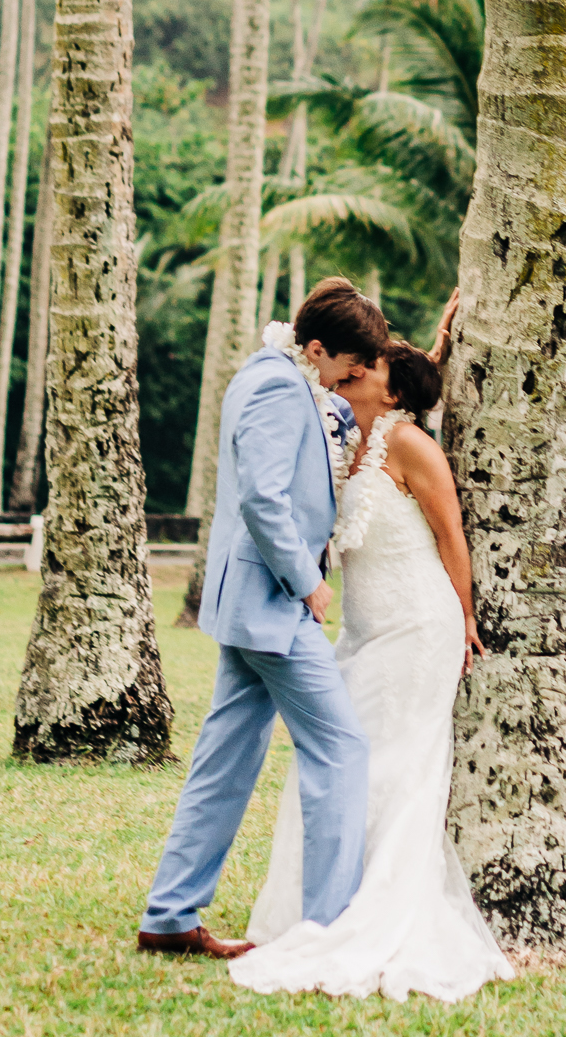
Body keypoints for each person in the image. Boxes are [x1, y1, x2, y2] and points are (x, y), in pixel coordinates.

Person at [230, 329, 513, 1003]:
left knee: (396, 768)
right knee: (336, 759)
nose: (357, 366)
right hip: (361, 633)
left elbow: (450, 535)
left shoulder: (411, 443)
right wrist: (438, 343)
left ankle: (380, 909)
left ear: (391, 387)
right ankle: (321, 905)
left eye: (374, 362)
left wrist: (467, 619)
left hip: (419, 628)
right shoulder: (344, 437)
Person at [137, 276, 391, 960]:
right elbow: (262, 497)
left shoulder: (282, 373)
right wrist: (305, 580)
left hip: (252, 606)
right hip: (273, 602)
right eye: (349, 367)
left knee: (225, 761)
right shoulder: (279, 386)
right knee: (341, 748)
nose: (352, 380)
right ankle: (328, 928)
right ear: (315, 348)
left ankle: (169, 916)